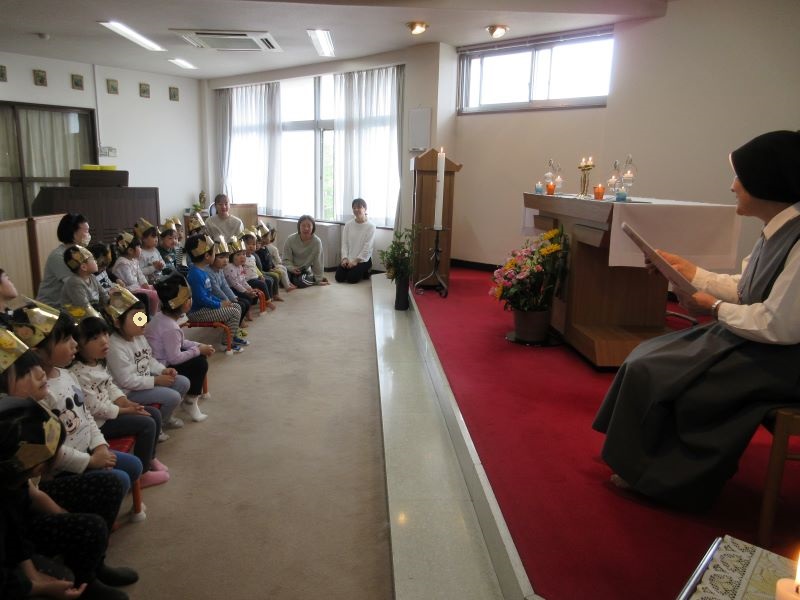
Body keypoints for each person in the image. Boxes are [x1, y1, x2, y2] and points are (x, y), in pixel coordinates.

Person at [592, 130, 800, 511]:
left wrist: (713, 308)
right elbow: (746, 288)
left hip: (781, 360)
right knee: (648, 355)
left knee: (675, 378)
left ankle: (665, 479)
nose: (733, 186)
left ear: (766, 181)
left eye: (740, 177)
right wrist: (691, 273)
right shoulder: (777, 231)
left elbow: (778, 323)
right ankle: (638, 459)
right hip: (758, 341)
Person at [0, 396, 139, 600]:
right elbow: (12, 547)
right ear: (38, 468)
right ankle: (80, 584)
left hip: (21, 523)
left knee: (109, 486)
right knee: (65, 576)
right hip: (11, 559)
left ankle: (92, 572)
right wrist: (36, 585)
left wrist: (62, 515)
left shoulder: (13, 469)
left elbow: (29, 497)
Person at [10, 302, 143, 500]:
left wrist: (100, 445)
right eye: (66, 339)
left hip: (89, 448)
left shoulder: (67, 374)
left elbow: (85, 413)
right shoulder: (38, 393)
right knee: (119, 480)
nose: (75, 344)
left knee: (134, 466)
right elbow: (52, 450)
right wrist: (90, 461)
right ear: (35, 350)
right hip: (65, 468)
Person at [71, 315, 171, 483]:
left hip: (112, 412)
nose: (104, 341)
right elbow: (95, 408)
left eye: (105, 334)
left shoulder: (98, 362)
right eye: (94, 338)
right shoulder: (78, 373)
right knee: (146, 424)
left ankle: (150, 458)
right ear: (78, 346)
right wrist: (126, 410)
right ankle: (143, 475)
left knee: (153, 413)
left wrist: (125, 402)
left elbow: (110, 386)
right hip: (100, 423)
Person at [104, 287, 189, 431]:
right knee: (173, 397)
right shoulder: (114, 346)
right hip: (129, 392)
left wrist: (163, 370)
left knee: (182, 382)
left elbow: (149, 359)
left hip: (144, 380)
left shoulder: (138, 336)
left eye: (143, 317)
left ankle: (164, 418)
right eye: (136, 318)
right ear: (117, 322)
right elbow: (126, 381)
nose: (143, 322)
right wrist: (155, 380)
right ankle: (158, 426)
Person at [146, 273, 215, 422]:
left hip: (161, 358)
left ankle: (190, 399)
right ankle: (190, 401)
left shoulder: (161, 317)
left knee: (198, 355)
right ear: (185, 303)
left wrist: (198, 345)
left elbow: (180, 342)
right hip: (161, 367)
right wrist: (198, 350)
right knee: (199, 363)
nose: (191, 300)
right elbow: (175, 358)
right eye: (189, 298)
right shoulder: (170, 327)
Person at [184, 234, 245, 353]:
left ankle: (231, 336)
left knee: (236, 306)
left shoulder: (202, 270)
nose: (214, 255)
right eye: (213, 252)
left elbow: (209, 294)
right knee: (234, 312)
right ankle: (227, 342)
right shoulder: (195, 274)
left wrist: (221, 302)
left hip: (206, 308)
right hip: (197, 313)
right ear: (207, 256)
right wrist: (219, 304)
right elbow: (201, 299)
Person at [36, 213, 91, 307]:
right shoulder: (59, 256)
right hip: (52, 308)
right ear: (73, 233)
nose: (89, 235)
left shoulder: (79, 253)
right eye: (86, 231)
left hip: (69, 306)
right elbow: (76, 286)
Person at [110, 232, 159, 317]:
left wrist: (145, 283)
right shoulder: (122, 263)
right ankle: (151, 316)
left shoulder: (133, 259)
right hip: (128, 289)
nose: (141, 249)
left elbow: (140, 274)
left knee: (155, 288)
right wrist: (141, 283)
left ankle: (154, 312)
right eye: (139, 247)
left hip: (136, 286)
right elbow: (130, 281)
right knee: (153, 295)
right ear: (130, 250)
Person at [335, 198, 376, 284]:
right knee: (339, 278)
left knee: (351, 279)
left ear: (365, 209)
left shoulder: (371, 226)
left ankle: (366, 271)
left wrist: (356, 261)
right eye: (354, 208)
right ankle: (354, 270)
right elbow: (344, 243)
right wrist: (344, 258)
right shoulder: (348, 224)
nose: (356, 209)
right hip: (349, 257)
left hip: (363, 259)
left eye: (359, 207)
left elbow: (367, 247)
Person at [283, 215, 329, 287]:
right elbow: (286, 259)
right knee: (282, 278)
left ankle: (312, 279)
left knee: (300, 281)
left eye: (309, 226)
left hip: (304, 270)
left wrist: (318, 279)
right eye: (303, 226)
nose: (306, 228)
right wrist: (292, 268)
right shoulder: (290, 239)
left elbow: (318, 262)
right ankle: (294, 280)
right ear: (299, 226)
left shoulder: (317, 242)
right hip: (290, 268)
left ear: (313, 227)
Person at [59, 246, 108, 311]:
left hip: (92, 313)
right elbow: (84, 307)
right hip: (77, 316)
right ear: (84, 267)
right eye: (92, 259)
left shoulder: (92, 277)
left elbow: (104, 296)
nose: (96, 261)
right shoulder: (75, 283)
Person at [262, 227, 295, 291]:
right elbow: (278, 260)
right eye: (268, 236)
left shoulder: (265, 248)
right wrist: (280, 263)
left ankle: (289, 283)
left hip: (271, 265)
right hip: (271, 266)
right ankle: (287, 286)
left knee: (284, 268)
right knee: (283, 270)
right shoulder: (273, 248)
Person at [134, 219, 164, 284]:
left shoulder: (155, 250)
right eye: (153, 237)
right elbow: (140, 272)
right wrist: (154, 267)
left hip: (160, 279)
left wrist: (161, 264)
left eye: (157, 237)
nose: (156, 239)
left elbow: (162, 261)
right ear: (144, 239)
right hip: (148, 284)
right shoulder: (140, 253)